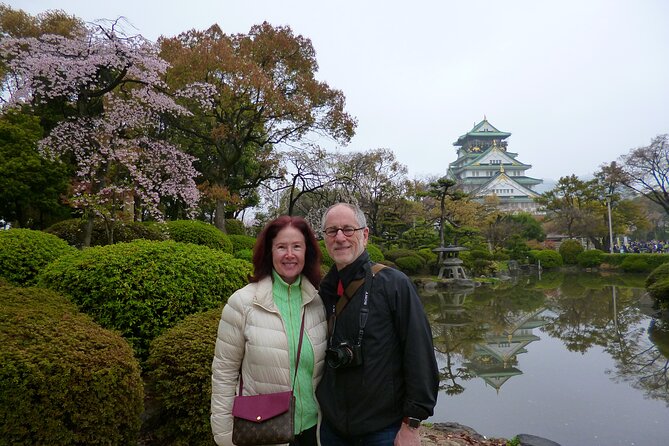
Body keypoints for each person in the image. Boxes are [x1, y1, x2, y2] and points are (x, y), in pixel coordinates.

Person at [316, 203, 439, 446]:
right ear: (325, 238)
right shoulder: (325, 290)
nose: (340, 237)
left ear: (365, 234)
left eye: (348, 229)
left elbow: (419, 354)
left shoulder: (393, 284)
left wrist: (412, 424)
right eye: (332, 231)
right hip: (332, 428)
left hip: (382, 430)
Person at [211, 216, 327, 446]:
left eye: (297, 246)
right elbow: (224, 374)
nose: (289, 254)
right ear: (269, 252)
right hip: (263, 431)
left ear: (308, 252)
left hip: (314, 432)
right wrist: (225, 438)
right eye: (281, 247)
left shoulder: (317, 301)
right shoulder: (243, 303)